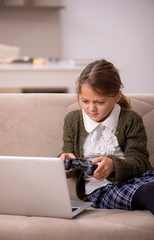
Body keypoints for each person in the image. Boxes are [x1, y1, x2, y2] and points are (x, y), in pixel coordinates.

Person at [60, 59, 154, 214]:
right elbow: (68, 161)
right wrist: (65, 161)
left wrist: (113, 165)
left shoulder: (130, 119)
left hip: (140, 178)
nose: (91, 109)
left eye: (99, 102)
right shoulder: (73, 120)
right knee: (149, 193)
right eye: (85, 101)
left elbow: (140, 161)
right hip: (102, 189)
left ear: (117, 97)